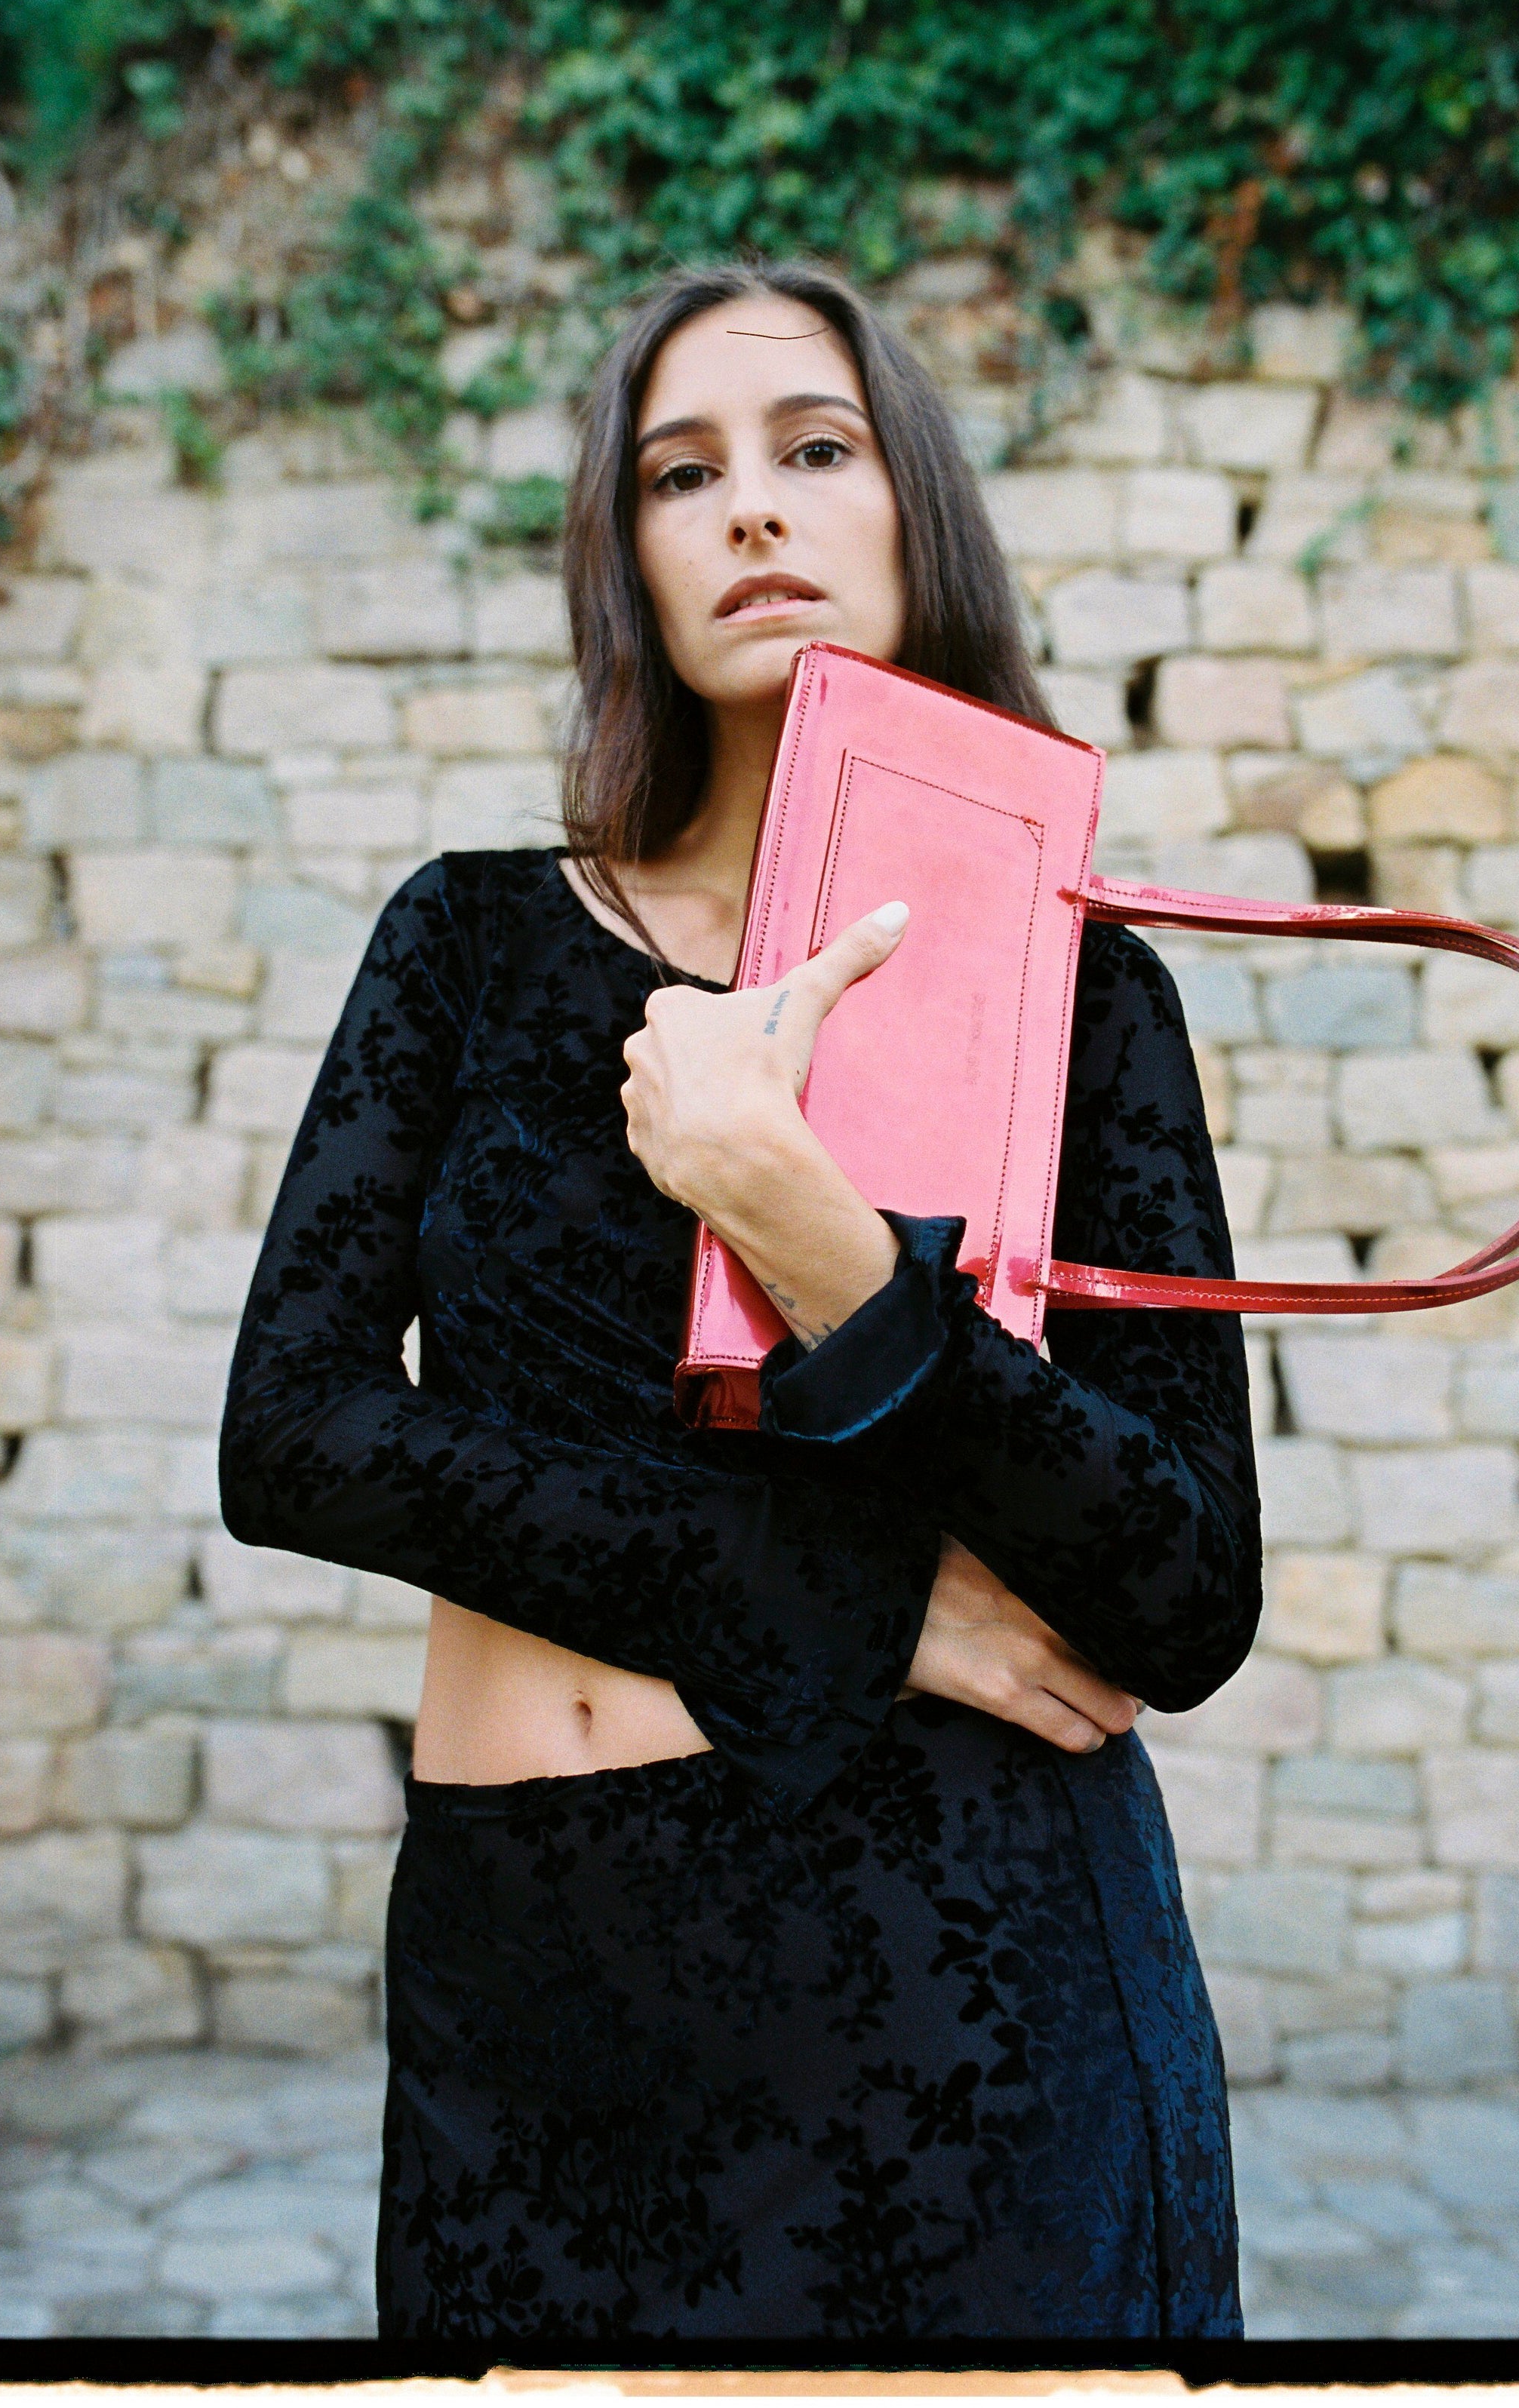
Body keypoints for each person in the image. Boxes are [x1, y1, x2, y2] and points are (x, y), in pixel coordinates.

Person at [217, 258, 1262, 2357]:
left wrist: (821, 1238)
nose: (753, 510)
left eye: (815, 448)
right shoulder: (474, 940)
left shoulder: (1086, 999)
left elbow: (1184, 1589)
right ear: (631, 560)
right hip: (550, 1986)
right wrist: (849, 1605)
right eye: (682, 474)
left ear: (911, 513)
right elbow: (295, 1431)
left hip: (963, 1992)